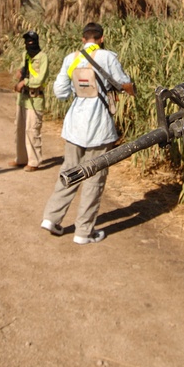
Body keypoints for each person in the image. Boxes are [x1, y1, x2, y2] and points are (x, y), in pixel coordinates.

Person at [41, 22, 135, 244]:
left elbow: (60, 92)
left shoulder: (70, 58)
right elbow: (125, 83)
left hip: (75, 126)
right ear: (101, 38)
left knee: (69, 170)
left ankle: (51, 218)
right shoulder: (107, 57)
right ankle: (83, 232)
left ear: (83, 39)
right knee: (94, 178)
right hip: (99, 128)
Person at [9, 30, 48, 171]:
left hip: (35, 98)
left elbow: (40, 79)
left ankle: (34, 161)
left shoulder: (43, 57)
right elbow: (26, 69)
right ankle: (21, 158)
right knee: (19, 129)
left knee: (32, 130)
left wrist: (25, 82)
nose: (29, 44)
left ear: (36, 42)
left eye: (31, 41)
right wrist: (21, 71)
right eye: (26, 42)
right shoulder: (25, 55)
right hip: (22, 98)